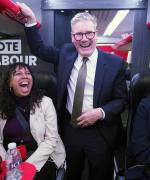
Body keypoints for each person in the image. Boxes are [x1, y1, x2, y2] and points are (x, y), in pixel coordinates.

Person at [17, 3, 128, 180]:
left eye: (89, 33)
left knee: (101, 175)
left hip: (100, 132)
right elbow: (39, 49)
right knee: (72, 173)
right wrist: (30, 20)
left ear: (96, 34)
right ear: (72, 36)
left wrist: (99, 113)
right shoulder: (66, 53)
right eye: (78, 34)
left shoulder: (115, 64)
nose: (84, 39)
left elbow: (122, 100)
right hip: (70, 128)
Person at [0, 63, 66, 180]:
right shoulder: (2, 106)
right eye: (18, 74)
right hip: (10, 156)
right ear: (9, 83)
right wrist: (8, 163)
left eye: (28, 73)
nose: (25, 76)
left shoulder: (45, 103)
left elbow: (51, 140)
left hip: (41, 156)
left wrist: (26, 166)